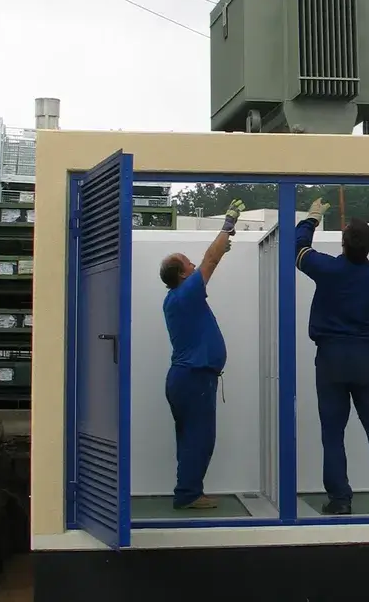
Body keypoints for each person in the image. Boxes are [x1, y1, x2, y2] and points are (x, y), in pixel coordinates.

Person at [295, 198, 369, 515]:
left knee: (332, 433)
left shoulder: (327, 268)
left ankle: (340, 501)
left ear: (343, 244)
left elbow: (298, 248)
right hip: (367, 359)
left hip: (330, 359)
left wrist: (313, 218)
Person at [158, 198, 245, 510]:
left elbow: (210, 258)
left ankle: (188, 490)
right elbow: (210, 260)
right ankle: (189, 495)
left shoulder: (178, 298)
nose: (194, 266)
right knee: (200, 438)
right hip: (194, 380)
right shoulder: (185, 295)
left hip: (187, 379)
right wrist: (228, 224)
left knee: (190, 437)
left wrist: (222, 245)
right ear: (182, 275)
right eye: (188, 265)